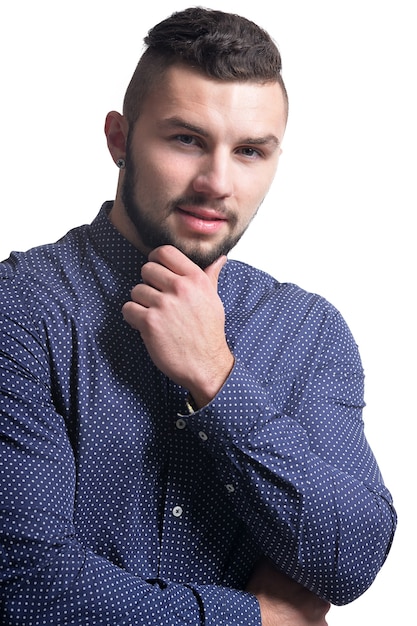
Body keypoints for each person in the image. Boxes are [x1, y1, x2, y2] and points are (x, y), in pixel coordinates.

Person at [0, 7, 396, 625]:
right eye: (187, 139)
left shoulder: (309, 332)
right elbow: (26, 583)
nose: (218, 181)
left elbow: (350, 559)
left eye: (249, 151)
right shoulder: (22, 309)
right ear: (119, 139)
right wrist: (258, 618)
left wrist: (216, 376)